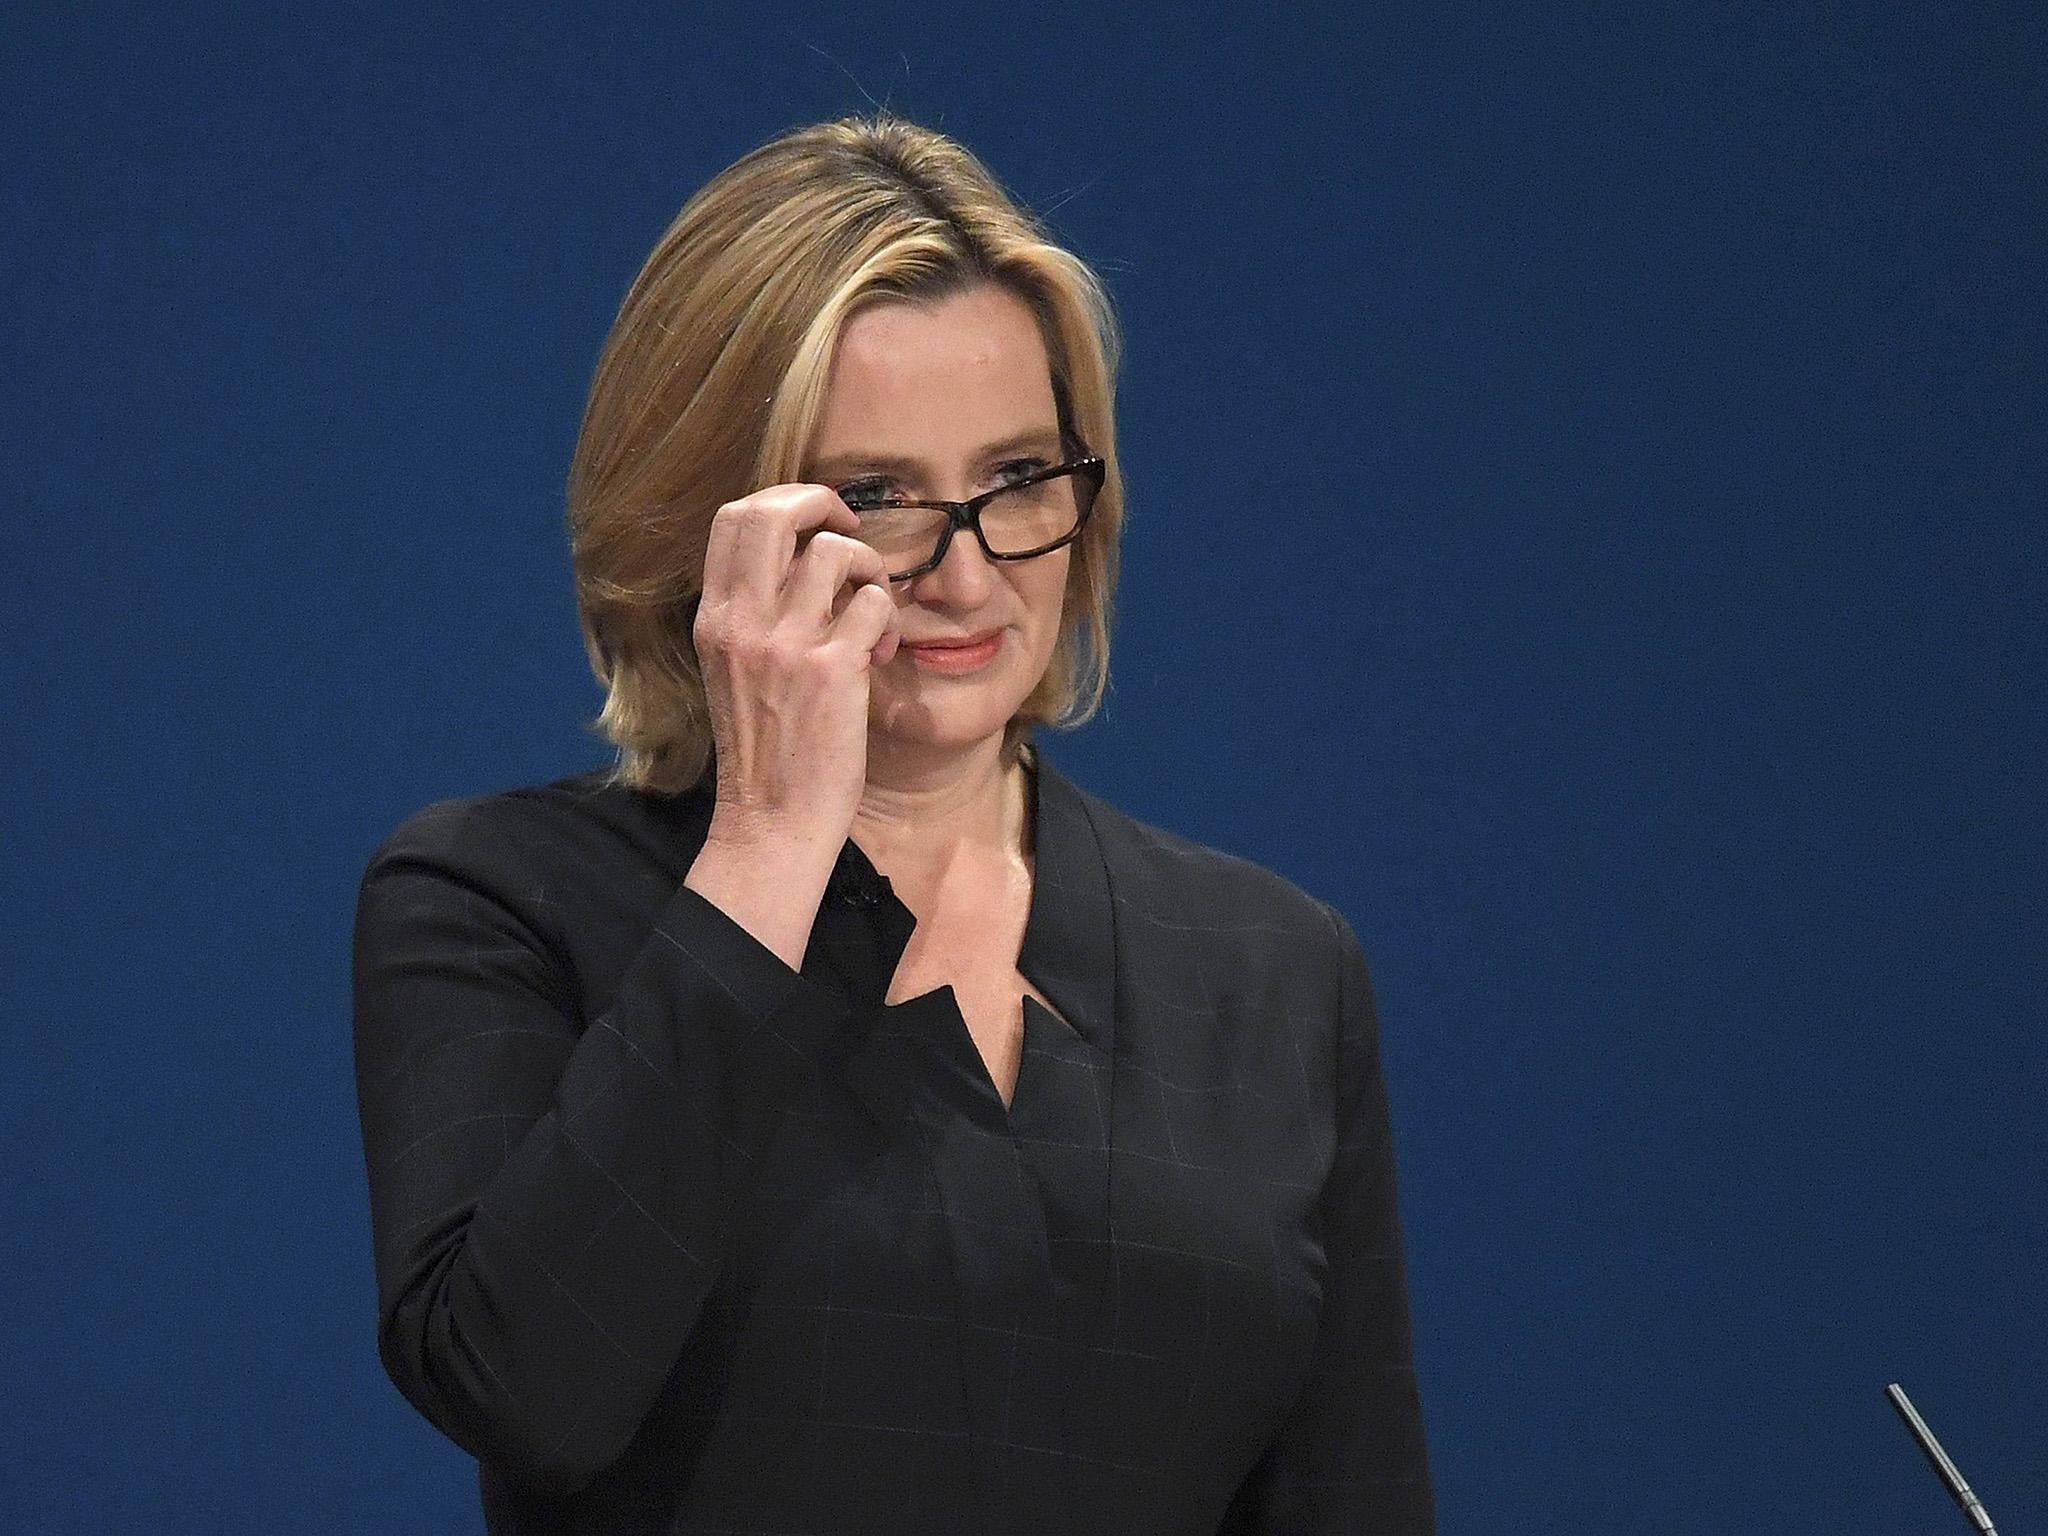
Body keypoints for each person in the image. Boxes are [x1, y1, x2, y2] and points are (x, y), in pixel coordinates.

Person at [351, 114, 1434, 1535]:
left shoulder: (1273, 967)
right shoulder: (499, 902)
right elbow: (528, 1391)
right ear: (700, 519)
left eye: (1019, 479)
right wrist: (768, 843)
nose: (966, 573)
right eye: (875, 499)